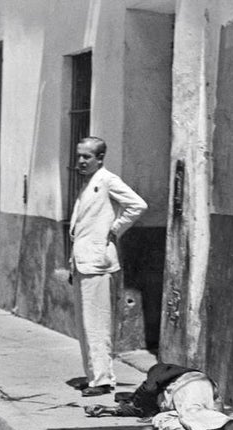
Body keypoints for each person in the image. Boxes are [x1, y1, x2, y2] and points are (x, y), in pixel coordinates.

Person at [68, 137, 147, 397]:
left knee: (97, 324)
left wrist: (115, 229)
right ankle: (93, 376)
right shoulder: (87, 184)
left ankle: (102, 380)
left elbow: (137, 205)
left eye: (86, 157)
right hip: (83, 263)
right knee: (84, 325)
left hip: (98, 264)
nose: (81, 161)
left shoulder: (107, 180)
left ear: (100, 158)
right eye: (79, 156)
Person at [85, 363, 233, 430]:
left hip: (190, 384)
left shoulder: (160, 371)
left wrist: (137, 399)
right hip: (189, 404)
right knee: (160, 420)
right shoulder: (152, 403)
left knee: (190, 413)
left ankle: (231, 424)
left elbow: (147, 390)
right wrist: (109, 410)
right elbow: (137, 409)